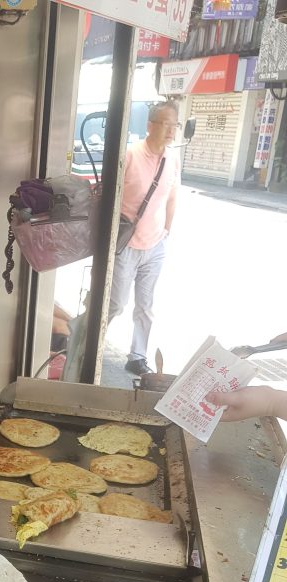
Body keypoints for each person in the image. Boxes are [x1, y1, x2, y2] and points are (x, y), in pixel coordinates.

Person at [108, 101, 181, 376]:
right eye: (166, 123)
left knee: (146, 306)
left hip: (155, 246)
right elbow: (108, 196)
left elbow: (173, 196)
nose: (171, 130)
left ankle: (137, 356)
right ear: (150, 126)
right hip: (126, 244)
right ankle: (84, 341)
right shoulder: (129, 155)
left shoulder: (172, 159)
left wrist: (166, 231)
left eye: (175, 125)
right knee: (115, 303)